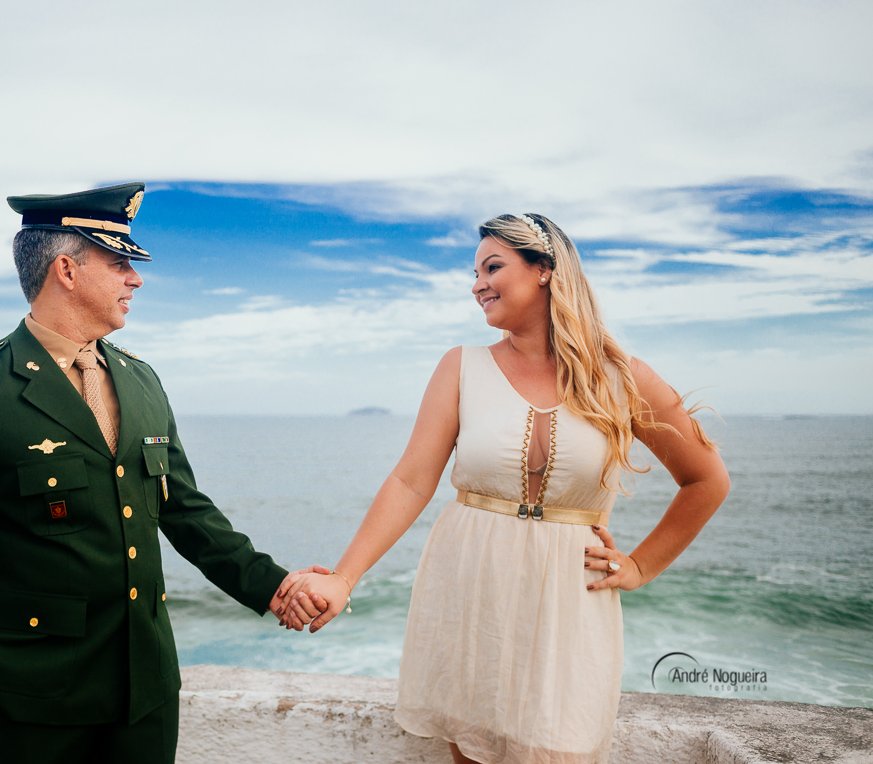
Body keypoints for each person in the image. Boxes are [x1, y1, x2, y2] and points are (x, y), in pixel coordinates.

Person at [0, 182, 325, 764]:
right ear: (66, 269)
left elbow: (184, 508)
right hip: (30, 700)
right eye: (120, 263)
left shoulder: (142, 380)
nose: (135, 279)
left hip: (145, 695)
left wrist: (273, 586)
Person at [277, 213, 730, 764]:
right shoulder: (460, 367)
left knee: (561, 749)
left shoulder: (623, 378)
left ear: (544, 270)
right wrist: (344, 578)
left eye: (493, 266)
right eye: (474, 272)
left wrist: (640, 566)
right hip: (469, 587)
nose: (477, 284)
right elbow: (410, 481)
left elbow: (706, 479)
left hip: (570, 598)